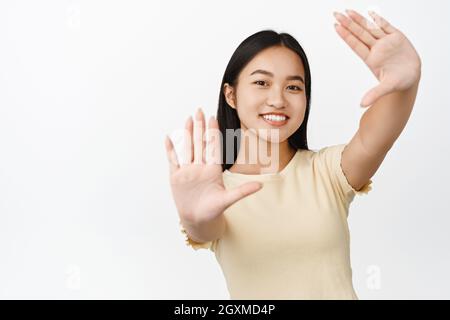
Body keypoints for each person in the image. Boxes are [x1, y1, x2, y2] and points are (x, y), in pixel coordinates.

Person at [164, 9, 421, 299]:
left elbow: (376, 137)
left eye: (293, 87)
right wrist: (192, 217)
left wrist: (406, 84)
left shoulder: (326, 172)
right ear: (231, 95)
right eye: (261, 83)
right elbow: (204, 227)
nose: (278, 99)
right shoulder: (217, 194)